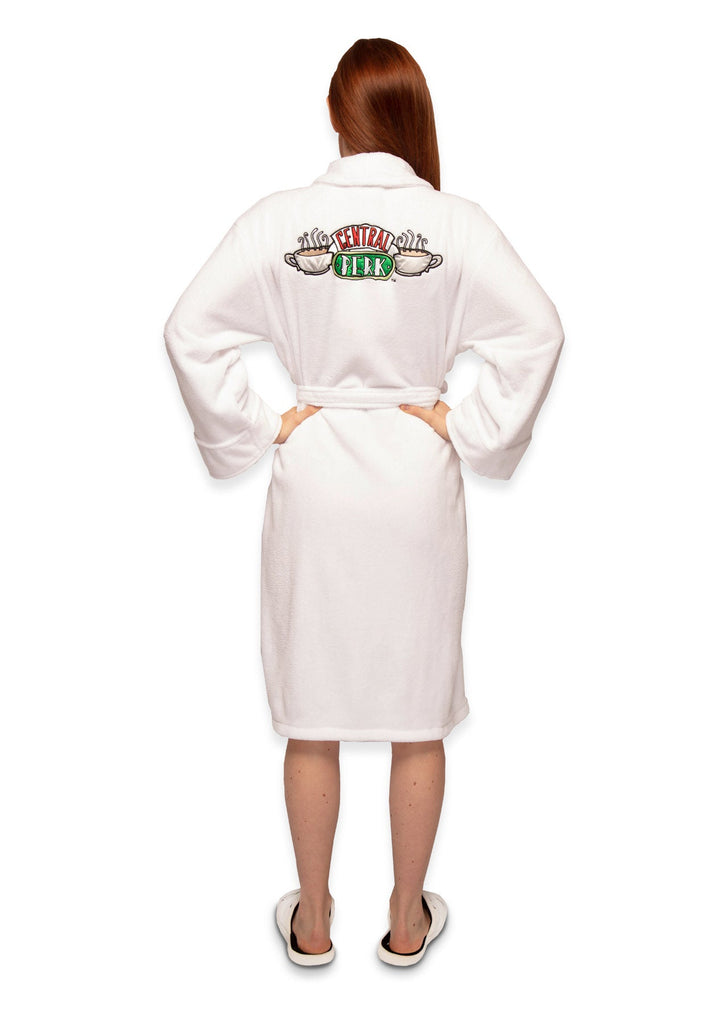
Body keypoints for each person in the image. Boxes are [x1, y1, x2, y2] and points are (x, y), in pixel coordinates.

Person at [163, 38, 565, 968]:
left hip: (317, 478)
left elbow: (189, 331)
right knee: (416, 712)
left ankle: (311, 922)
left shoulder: (281, 222)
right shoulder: (456, 226)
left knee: (314, 710)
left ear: (336, 117)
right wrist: (468, 427)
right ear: (413, 114)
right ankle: (407, 921)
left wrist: (260, 425)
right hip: (415, 482)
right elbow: (539, 333)